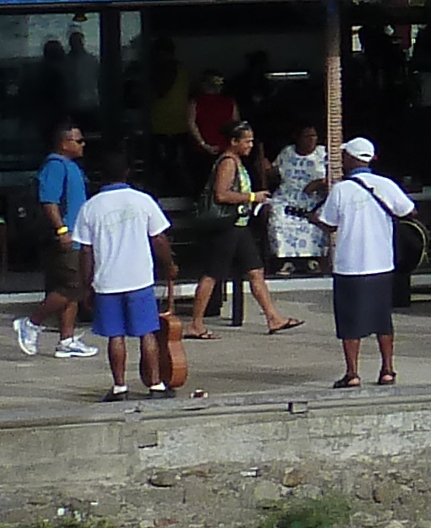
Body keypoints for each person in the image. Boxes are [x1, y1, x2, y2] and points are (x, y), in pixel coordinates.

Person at [74, 162, 178, 398]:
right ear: (127, 173)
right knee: (147, 333)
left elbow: (86, 252)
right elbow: (159, 238)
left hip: (108, 281)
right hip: (139, 279)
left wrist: (86, 283)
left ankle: (120, 387)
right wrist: (169, 265)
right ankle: (155, 385)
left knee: (115, 335)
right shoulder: (142, 200)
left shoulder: (90, 208)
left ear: (101, 178)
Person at [188, 121, 295, 339]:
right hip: (226, 227)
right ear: (233, 142)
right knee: (212, 274)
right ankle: (196, 324)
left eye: (252, 140)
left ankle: (273, 317)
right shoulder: (227, 163)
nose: (250, 145)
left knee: (256, 271)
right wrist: (253, 197)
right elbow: (222, 194)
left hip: (240, 226)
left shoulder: (238, 162)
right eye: (246, 141)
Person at [323, 137, 414, 388]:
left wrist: (313, 219)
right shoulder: (386, 184)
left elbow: (329, 222)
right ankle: (387, 369)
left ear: (352, 158)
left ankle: (352, 373)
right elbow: (408, 210)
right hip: (381, 263)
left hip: (349, 264)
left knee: (349, 322)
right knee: (382, 319)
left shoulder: (341, 189)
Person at [34, 122, 92, 333]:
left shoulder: (72, 166)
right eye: (78, 141)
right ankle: (32, 323)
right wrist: (62, 230)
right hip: (66, 237)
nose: (83, 144)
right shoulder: (55, 165)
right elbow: (49, 201)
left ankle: (66, 339)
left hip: (77, 238)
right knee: (72, 286)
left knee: (73, 290)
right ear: (64, 143)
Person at [268, 122, 331, 278]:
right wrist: (266, 169)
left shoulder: (323, 154)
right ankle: (286, 260)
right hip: (287, 197)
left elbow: (336, 176)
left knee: (317, 219)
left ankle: (312, 259)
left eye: (314, 136)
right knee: (278, 218)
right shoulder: (287, 152)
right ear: (297, 137)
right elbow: (275, 174)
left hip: (314, 199)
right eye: (307, 136)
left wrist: (320, 183)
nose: (311, 140)